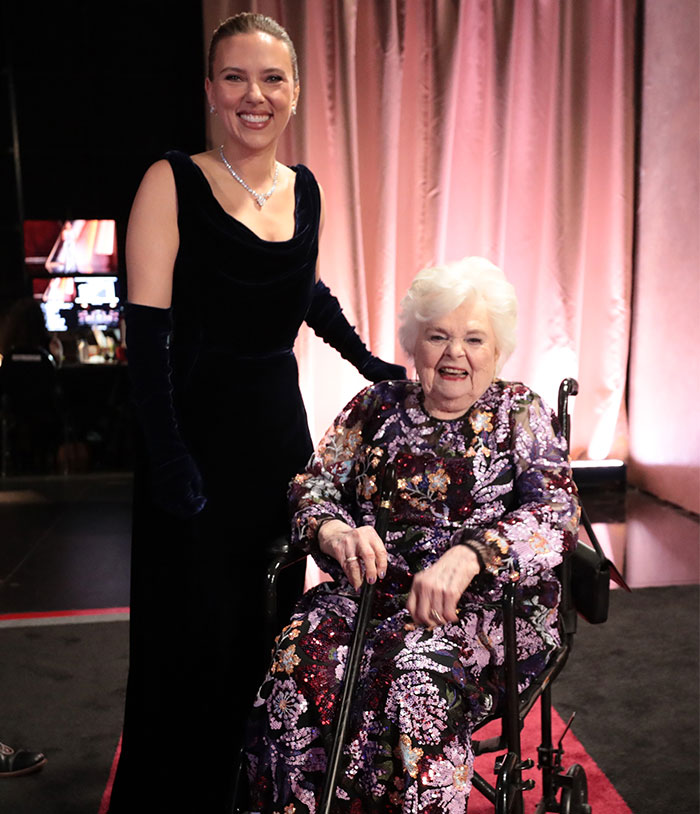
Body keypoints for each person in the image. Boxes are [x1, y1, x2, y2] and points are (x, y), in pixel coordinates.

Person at [107, 12, 404, 814]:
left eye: (272, 79)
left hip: (277, 440)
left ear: (296, 92)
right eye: (235, 77)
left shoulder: (302, 188)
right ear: (209, 90)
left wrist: (370, 361)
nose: (254, 95)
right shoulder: (171, 181)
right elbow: (148, 339)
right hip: (192, 444)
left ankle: (259, 790)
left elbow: (300, 290)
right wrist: (169, 461)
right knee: (194, 636)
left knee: (269, 628)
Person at [244, 257, 581, 813]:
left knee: (419, 681)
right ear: (413, 344)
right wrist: (332, 530)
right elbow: (312, 485)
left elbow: (557, 511)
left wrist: (470, 556)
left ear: (496, 352)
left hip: (483, 610)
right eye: (438, 336)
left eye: (475, 339)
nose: (455, 353)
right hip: (366, 597)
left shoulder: (519, 412)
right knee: (298, 663)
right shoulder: (375, 407)